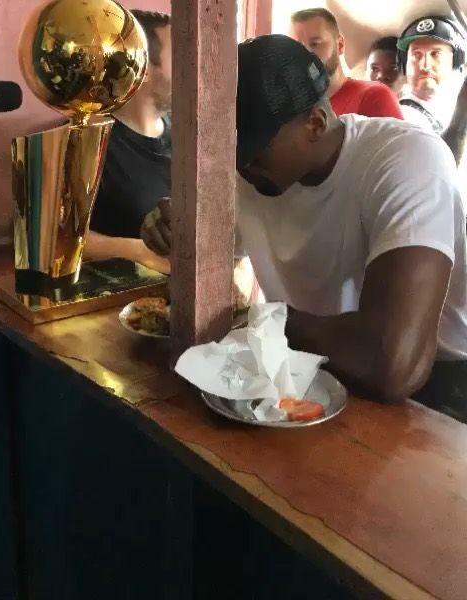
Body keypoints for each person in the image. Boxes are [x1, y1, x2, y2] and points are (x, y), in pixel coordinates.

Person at [143, 35, 467, 422]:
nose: (241, 168)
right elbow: (202, 255)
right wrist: (170, 231)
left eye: (252, 151)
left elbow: (394, 365)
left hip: (440, 384)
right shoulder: (254, 176)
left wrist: (271, 321)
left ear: (315, 123)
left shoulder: (406, 162)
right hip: (317, 362)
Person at [84, 10, 172, 274]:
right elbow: (57, 237)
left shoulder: (193, 138)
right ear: (141, 66)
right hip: (115, 305)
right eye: (181, 57)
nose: (194, 68)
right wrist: (138, 250)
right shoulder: (87, 140)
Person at [289, 8, 403, 119]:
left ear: (340, 45)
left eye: (315, 44)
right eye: (296, 47)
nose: (305, 54)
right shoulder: (291, 108)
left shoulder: (374, 96)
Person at [397, 15, 467, 164]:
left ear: (455, 63)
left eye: (436, 54)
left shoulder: (445, 111)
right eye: (416, 55)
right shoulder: (402, 117)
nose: (425, 65)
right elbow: (435, 169)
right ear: (404, 65)